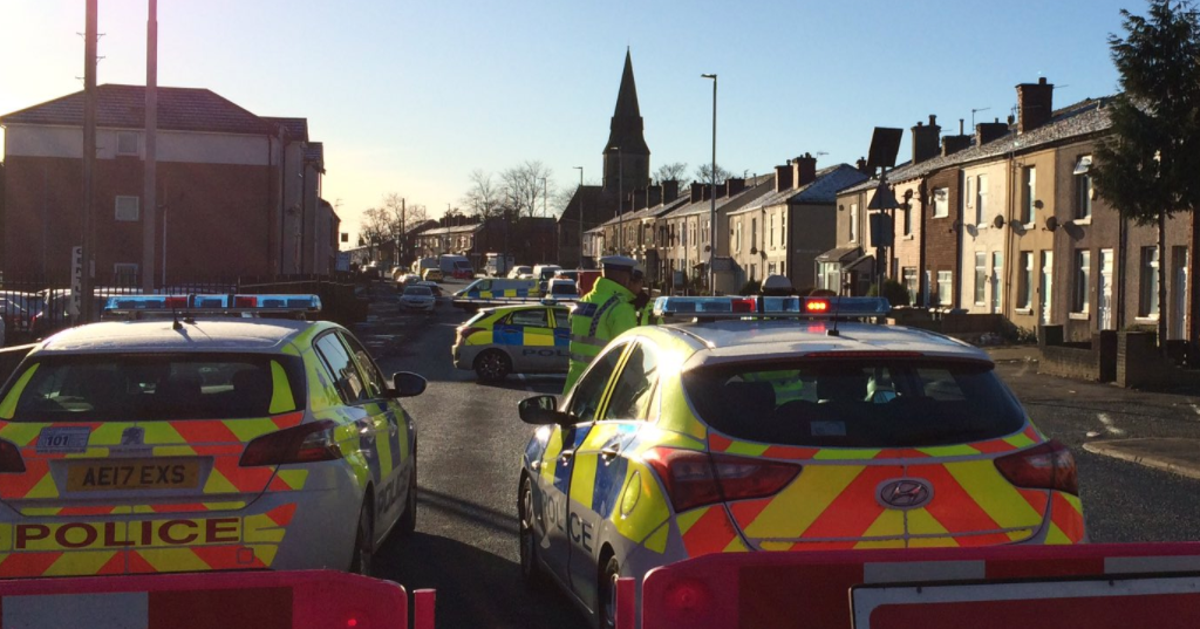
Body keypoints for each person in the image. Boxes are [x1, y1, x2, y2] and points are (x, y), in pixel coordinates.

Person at [563, 255, 647, 393]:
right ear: (624, 277)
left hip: (574, 387)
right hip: (603, 392)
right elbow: (629, 355)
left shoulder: (583, 302)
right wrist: (641, 386)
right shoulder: (620, 309)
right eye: (630, 276)